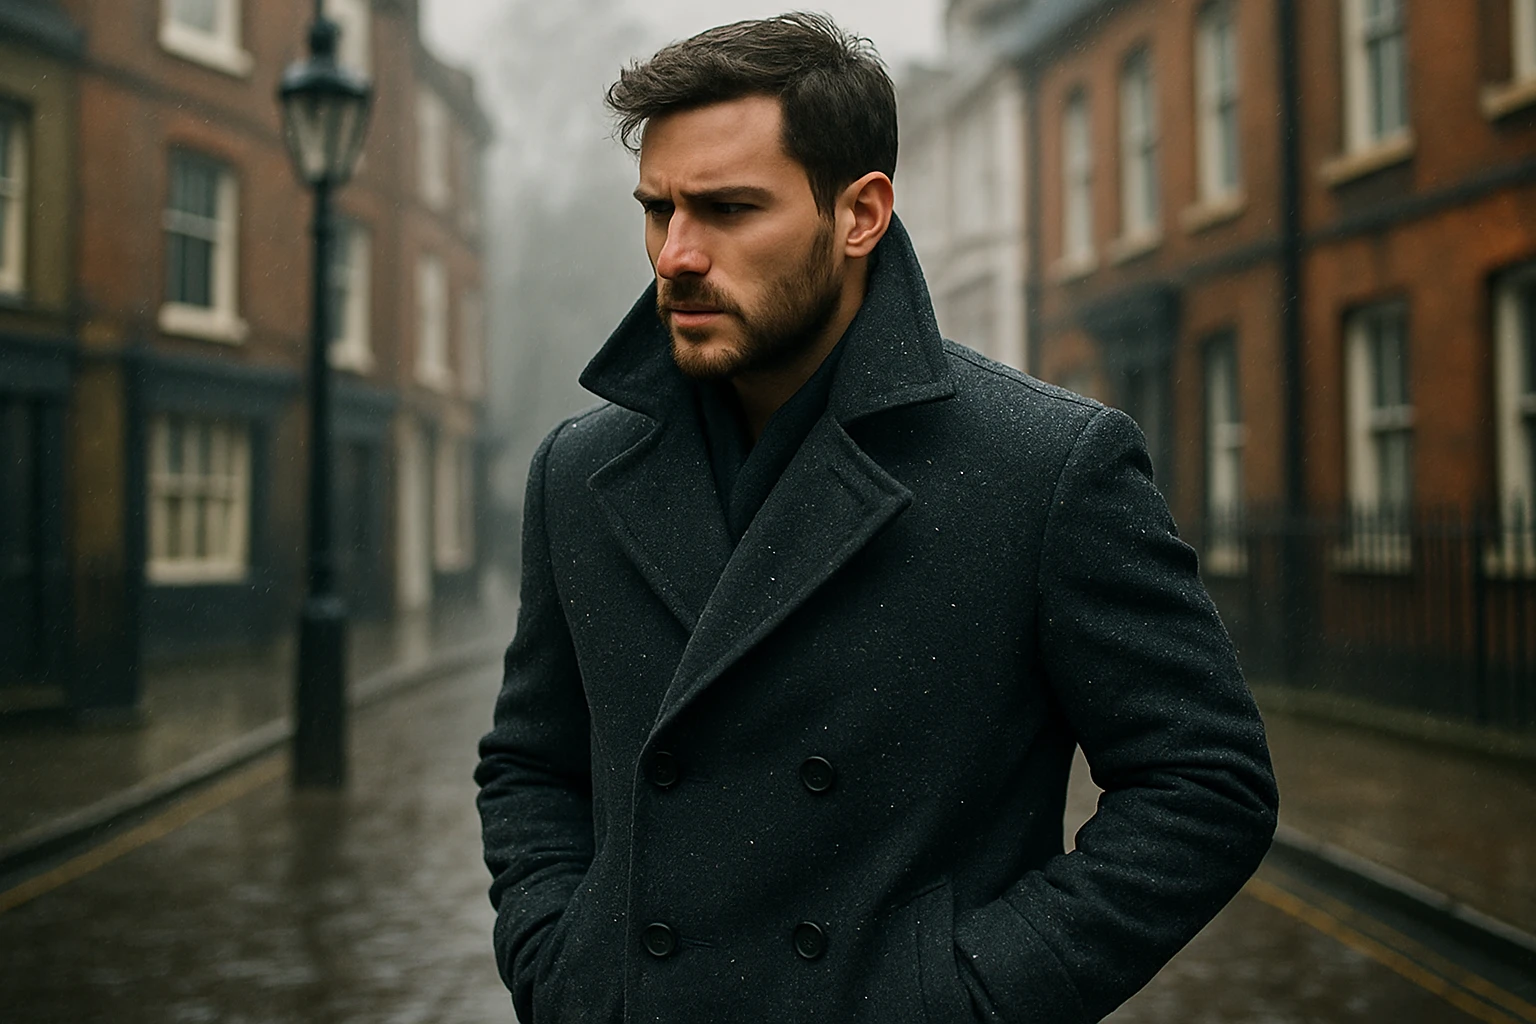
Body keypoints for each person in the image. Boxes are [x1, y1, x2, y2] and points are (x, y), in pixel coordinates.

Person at [476, 13, 1278, 1023]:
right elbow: (530, 761)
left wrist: (960, 993)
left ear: (860, 214)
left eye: (727, 209)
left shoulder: (1043, 466)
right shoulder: (579, 471)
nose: (676, 253)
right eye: (658, 209)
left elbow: (1207, 782)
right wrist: (564, 963)